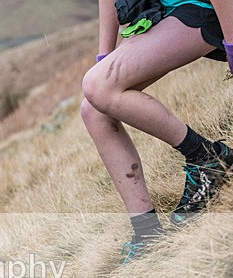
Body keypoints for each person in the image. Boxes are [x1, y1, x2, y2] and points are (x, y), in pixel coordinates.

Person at [81, 0, 233, 262]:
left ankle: (208, 159)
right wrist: (104, 61)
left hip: (208, 9)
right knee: (94, 109)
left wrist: (232, 45)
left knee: (98, 86)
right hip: (165, 11)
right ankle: (147, 233)